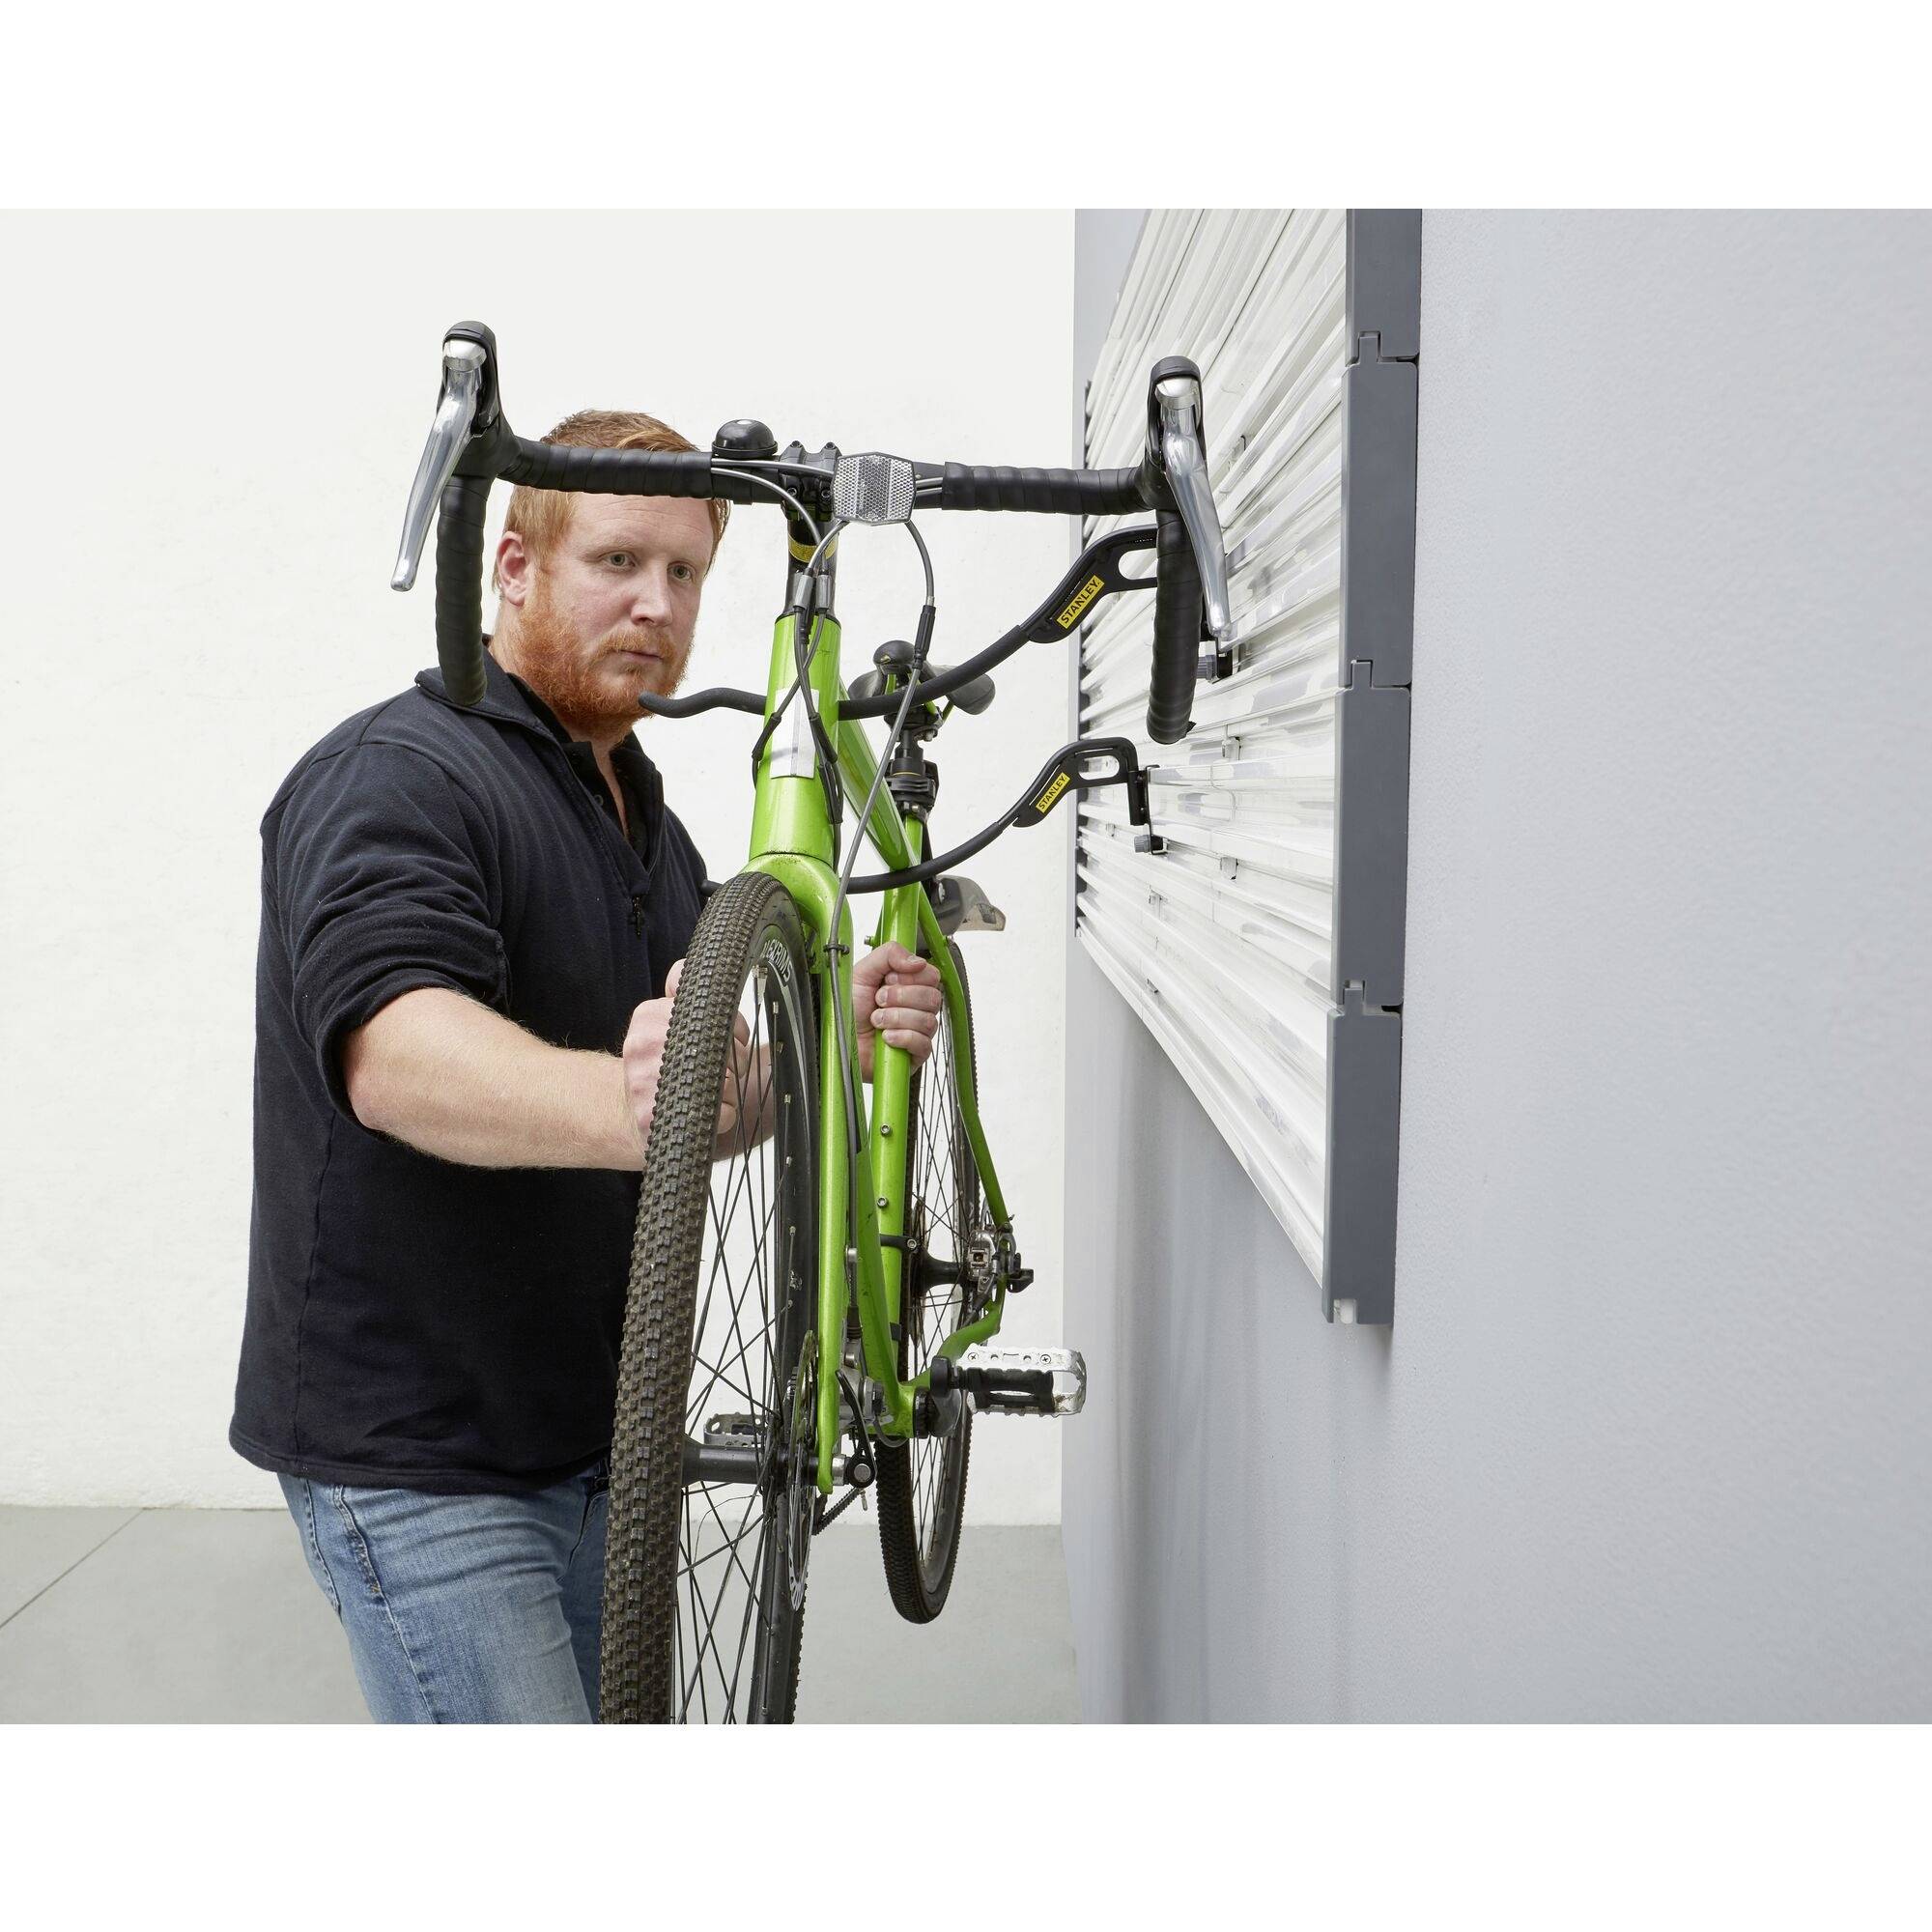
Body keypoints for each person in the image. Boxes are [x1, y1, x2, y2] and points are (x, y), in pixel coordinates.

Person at [230, 409, 944, 1722]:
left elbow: (696, 1093)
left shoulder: (643, 826)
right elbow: (393, 1052)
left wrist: (820, 1052)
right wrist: (638, 1109)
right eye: (616, 562)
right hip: (425, 1461)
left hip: (599, 1445)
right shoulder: (401, 773)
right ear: (513, 567)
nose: (656, 606)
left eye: (684, 575)